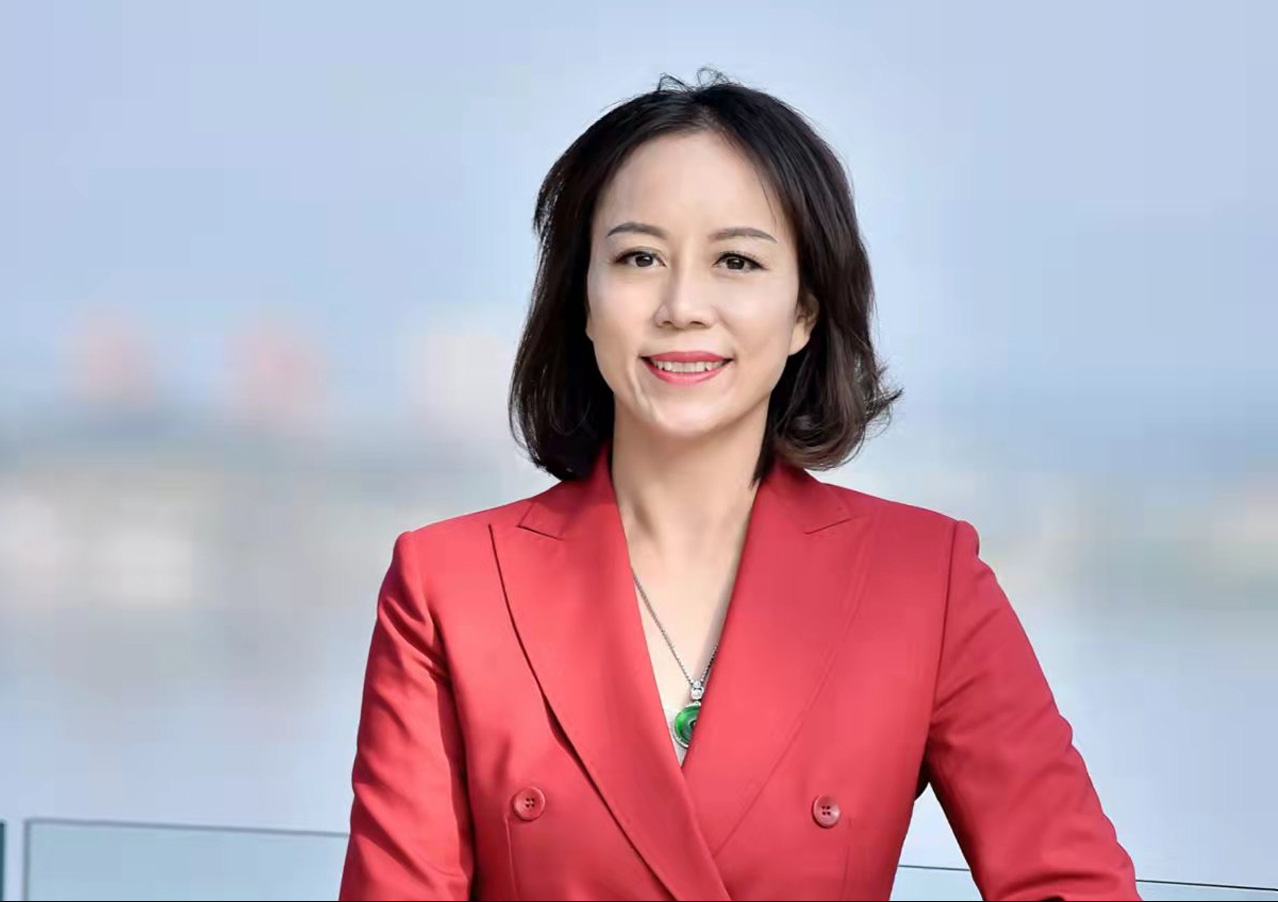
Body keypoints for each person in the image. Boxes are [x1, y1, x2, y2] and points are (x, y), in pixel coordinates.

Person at [338, 71, 1140, 901]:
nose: (683, 305)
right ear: (583, 298)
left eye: (737, 260)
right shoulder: (450, 587)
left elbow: (1073, 883)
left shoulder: (925, 580)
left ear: (804, 312)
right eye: (639, 257)